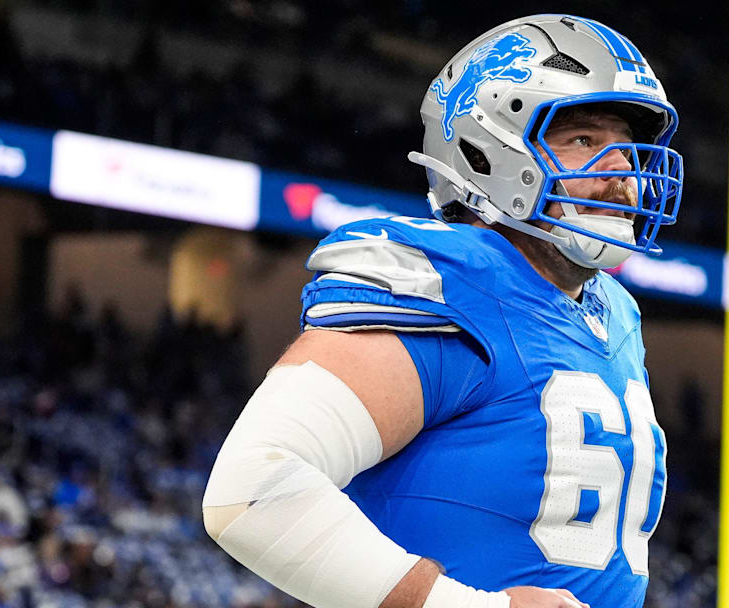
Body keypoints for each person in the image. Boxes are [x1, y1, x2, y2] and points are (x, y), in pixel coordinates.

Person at [202, 14, 684, 608]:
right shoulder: (447, 280)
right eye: (585, 141)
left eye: (627, 151)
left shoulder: (614, 312)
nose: (621, 175)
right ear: (488, 152)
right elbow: (253, 489)